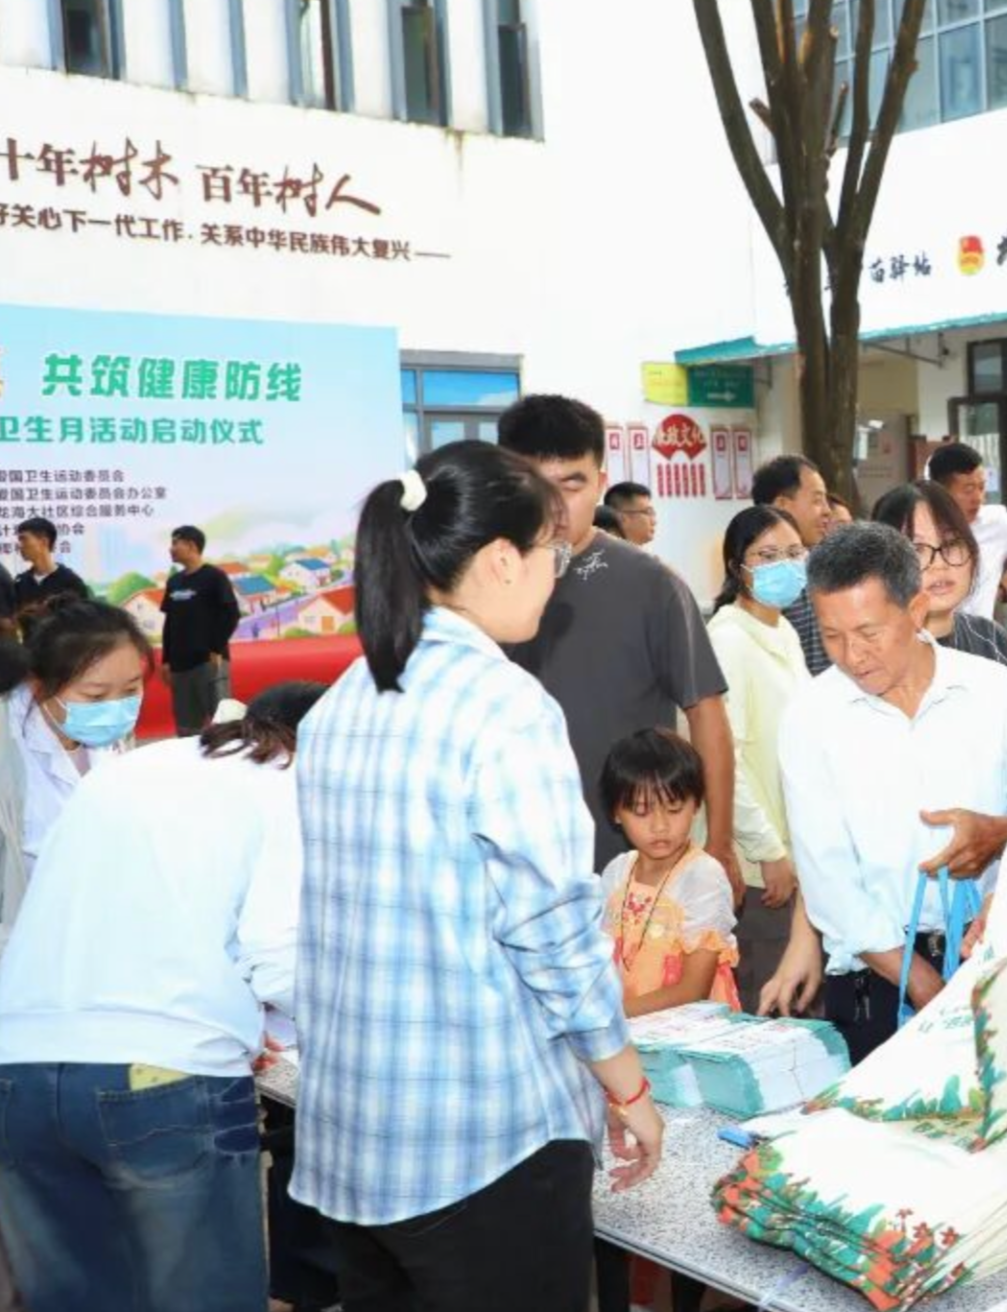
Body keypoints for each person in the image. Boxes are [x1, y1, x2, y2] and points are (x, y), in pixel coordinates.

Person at [291, 443, 663, 1312]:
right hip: (482, 1142)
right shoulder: (504, 707)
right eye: (551, 553)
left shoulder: (343, 701)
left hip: (356, 1137)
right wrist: (628, 1086)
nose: (555, 576)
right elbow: (553, 930)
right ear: (501, 558)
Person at [0, 682, 327, 1312]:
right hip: (162, 1078)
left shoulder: (139, 768)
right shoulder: (289, 783)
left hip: (18, 1066)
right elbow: (278, 954)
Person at [777, 523, 1007, 1062]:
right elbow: (828, 877)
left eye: (869, 632)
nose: (852, 655)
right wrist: (927, 988)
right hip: (876, 979)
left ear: (917, 609)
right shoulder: (811, 717)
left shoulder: (992, 691)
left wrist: (1002, 892)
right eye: (832, 636)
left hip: (993, 956)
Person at [498, 395, 738, 888]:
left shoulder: (651, 584)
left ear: (600, 483)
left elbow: (706, 713)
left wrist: (719, 843)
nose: (554, 506)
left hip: (633, 867)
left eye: (572, 485)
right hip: (511, 858)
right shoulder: (479, 582)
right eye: (534, 484)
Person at [708, 505, 811, 1011]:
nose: (784, 566)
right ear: (737, 567)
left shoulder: (782, 630)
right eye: (767, 556)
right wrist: (768, 850)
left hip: (795, 850)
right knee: (769, 1001)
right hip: (760, 864)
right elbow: (726, 758)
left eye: (793, 553)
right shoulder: (729, 640)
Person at [0, 595, 150, 917]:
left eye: (130, 689)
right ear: (39, 686)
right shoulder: (8, 750)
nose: (115, 707)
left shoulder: (112, 733)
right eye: (95, 695)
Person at [601, 727, 741, 1013]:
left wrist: (611, 1016)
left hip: (692, 1030)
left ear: (696, 804)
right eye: (641, 811)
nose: (660, 826)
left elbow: (693, 991)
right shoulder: (616, 873)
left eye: (674, 808)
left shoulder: (703, 877)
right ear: (616, 812)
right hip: (629, 1026)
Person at [872, 480, 1007, 675]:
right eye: (916, 549)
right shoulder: (867, 656)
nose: (940, 564)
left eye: (951, 544)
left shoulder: (991, 639)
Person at [928, 443, 1007, 621]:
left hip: (979, 631)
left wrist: (1002, 587)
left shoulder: (994, 522)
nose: (978, 498)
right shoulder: (921, 526)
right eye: (968, 490)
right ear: (940, 492)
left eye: (982, 487)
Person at [752, 455, 837, 677]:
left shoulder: (824, 563)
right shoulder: (759, 577)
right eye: (817, 500)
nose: (827, 511)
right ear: (782, 506)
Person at [161, 524, 242, 737]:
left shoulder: (215, 577)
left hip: (209, 662)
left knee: (223, 724)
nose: (171, 549)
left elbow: (231, 615)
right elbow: (170, 623)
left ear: (191, 545)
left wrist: (216, 648)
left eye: (175, 543)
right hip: (179, 667)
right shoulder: (174, 582)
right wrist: (166, 660)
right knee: (187, 728)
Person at [12, 518, 91, 611]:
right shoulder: (20, 583)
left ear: (44, 542)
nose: (20, 546)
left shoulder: (71, 582)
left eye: (24, 539)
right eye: (19, 541)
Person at [605, 481, 657, 548]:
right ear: (621, 518)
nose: (654, 522)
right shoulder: (607, 552)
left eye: (652, 513)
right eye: (648, 512)